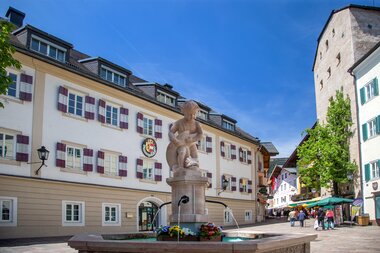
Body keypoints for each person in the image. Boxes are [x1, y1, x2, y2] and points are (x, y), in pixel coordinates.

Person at [166, 101, 203, 172]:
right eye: (190, 114)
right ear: (184, 113)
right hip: (181, 144)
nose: (192, 116)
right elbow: (171, 132)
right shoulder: (178, 123)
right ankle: (180, 167)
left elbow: (200, 134)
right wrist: (175, 140)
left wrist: (193, 139)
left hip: (192, 145)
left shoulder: (197, 124)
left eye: (194, 114)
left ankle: (192, 166)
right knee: (182, 151)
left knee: (195, 160)